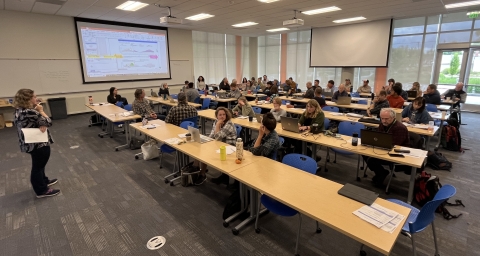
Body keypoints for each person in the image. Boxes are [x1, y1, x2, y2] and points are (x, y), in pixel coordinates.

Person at [13, 89, 60, 198]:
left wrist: (39, 118)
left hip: (29, 143)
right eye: (34, 97)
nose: (36, 98)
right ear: (27, 99)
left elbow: (36, 121)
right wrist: (41, 111)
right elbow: (49, 122)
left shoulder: (19, 110)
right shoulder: (30, 112)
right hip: (38, 144)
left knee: (40, 164)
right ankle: (41, 190)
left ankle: (44, 181)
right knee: (38, 167)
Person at [191, 107, 237, 185]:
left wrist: (218, 125)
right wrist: (205, 141)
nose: (222, 116)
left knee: (206, 152)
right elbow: (212, 135)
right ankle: (199, 171)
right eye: (220, 115)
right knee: (202, 149)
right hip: (219, 144)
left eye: (224, 114)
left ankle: (201, 173)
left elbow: (218, 137)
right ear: (217, 116)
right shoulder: (216, 122)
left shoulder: (229, 123)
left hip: (229, 146)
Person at [364, 108, 409, 186]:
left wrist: (378, 145)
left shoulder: (399, 128)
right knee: (364, 153)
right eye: (382, 118)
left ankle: (381, 173)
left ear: (393, 118)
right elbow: (378, 137)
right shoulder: (383, 124)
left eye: (386, 119)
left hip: (397, 152)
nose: (384, 121)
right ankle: (380, 171)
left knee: (371, 158)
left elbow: (395, 145)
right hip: (384, 147)